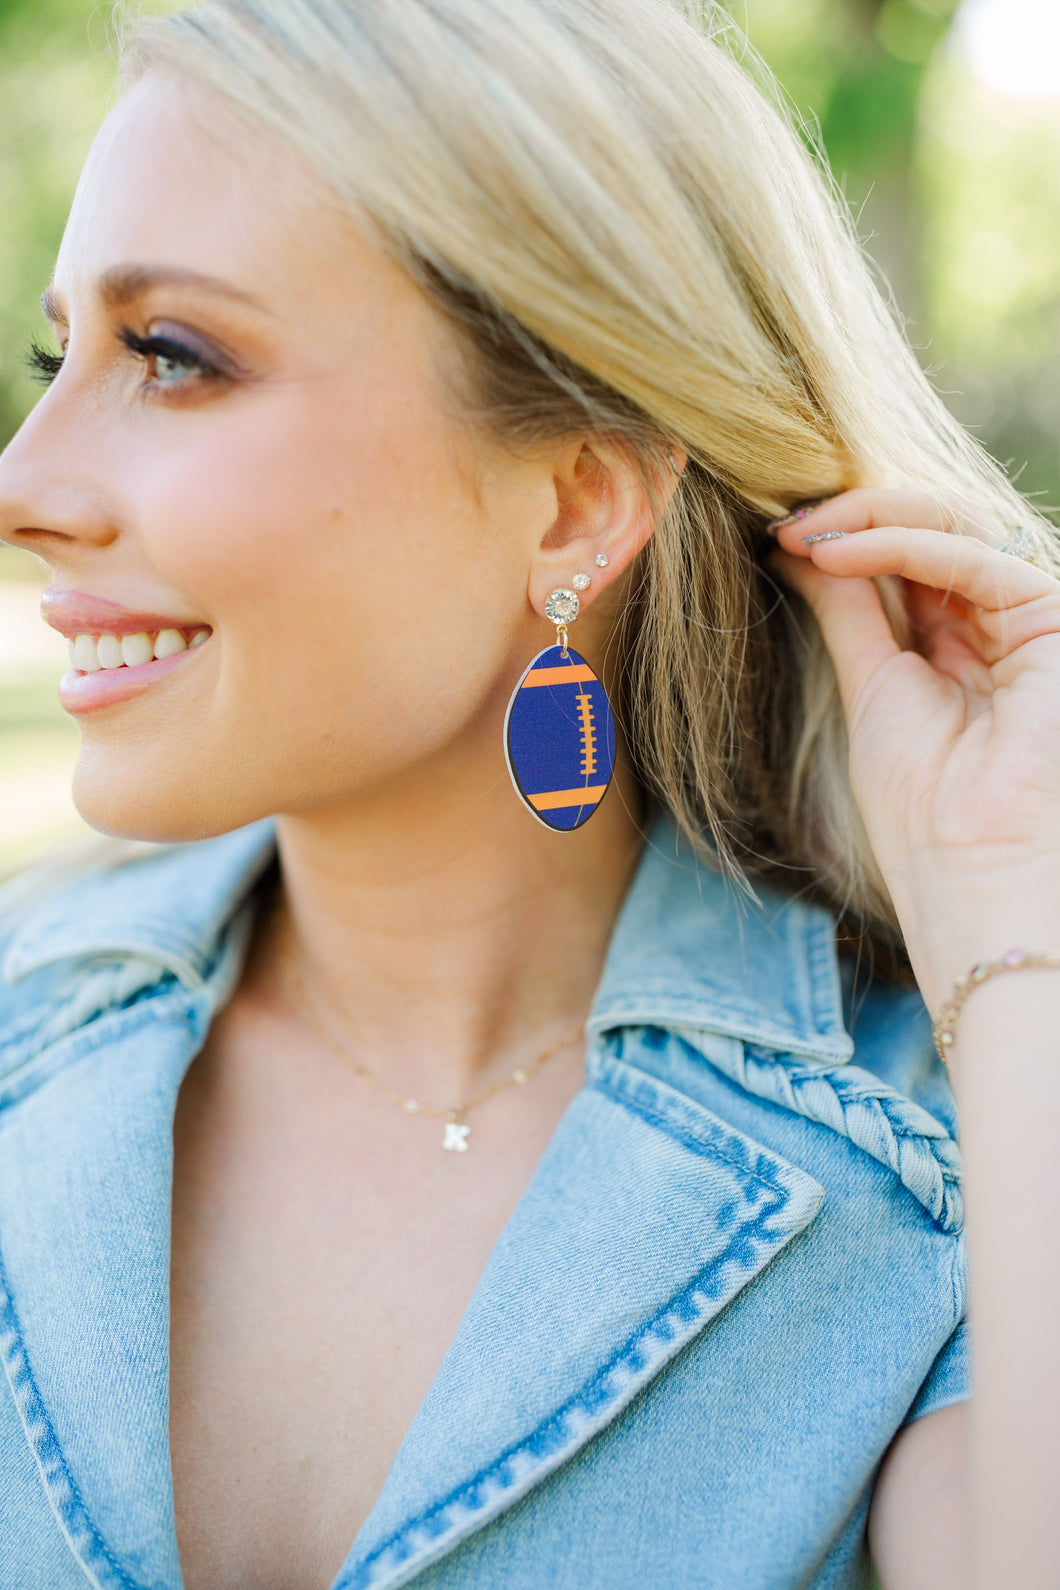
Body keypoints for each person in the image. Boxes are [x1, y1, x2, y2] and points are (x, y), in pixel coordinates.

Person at [1, 0, 1058, 1586]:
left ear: (574, 504)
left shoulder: (945, 1161)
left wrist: (1016, 915)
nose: (22, 480)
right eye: (53, 353)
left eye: (171, 357)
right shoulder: (26, 1035)